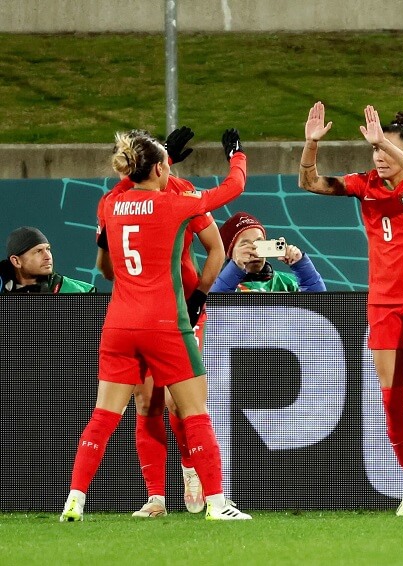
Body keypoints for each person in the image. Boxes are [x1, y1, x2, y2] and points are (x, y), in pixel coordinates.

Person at [60, 128, 251, 522]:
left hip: (119, 324)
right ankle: (217, 503)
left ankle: (74, 500)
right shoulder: (175, 204)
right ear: (163, 167)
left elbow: (110, 253)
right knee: (195, 411)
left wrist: (156, 164)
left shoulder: (109, 204)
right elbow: (233, 187)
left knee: (103, 416)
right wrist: (237, 155)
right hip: (165, 322)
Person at [299, 102, 403, 516]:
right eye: (375, 151)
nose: (379, 157)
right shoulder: (364, 185)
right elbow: (309, 182)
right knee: (391, 398)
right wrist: (311, 145)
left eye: (385, 150)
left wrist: (387, 141)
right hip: (382, 301)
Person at [94, 126, 226, 518]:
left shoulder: (180, 192)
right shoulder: (115, 203)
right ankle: (155, 497)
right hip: (142, 311)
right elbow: (108, 267)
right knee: (145, 399)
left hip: (181, 309)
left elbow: (216, 249)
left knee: (178, 399)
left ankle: (191, 470)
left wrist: (200, 296)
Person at [210, 211, 325, 292]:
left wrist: (302, 266)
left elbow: (318, 308)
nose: (254, 251)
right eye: (245, 245)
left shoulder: (287, 283)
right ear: (230, 253)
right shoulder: (212, 285)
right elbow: (212, 310)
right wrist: (235, 267)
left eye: (259, 243)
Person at [1, 227, 95, 293]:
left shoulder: (82, 292)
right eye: (38, 251)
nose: (48, 256)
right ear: (16, 261)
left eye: (48, 249)